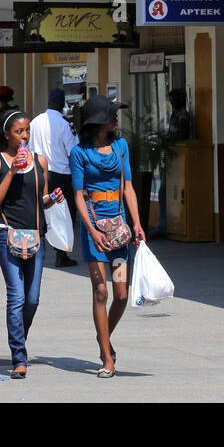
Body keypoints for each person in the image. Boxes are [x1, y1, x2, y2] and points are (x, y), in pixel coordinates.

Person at [70, 95, 145, 378]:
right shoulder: (79, 153)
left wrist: (137, 223)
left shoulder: (120, 146)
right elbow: (78, 196)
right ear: (100, 121)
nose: (116, 119)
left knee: (122, 294)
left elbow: (128, 187)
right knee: (101, 291)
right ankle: (106, 356)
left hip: (119, 227)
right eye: (112, 115)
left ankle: (103, 337)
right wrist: (91, 230)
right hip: (93, 229)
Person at [0, 109, 64, 378]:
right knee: (17, 296)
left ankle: (19, 334)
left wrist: (52, 198)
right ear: (6, 134)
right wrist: (12, 172)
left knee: (32, 299)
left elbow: (40, 200)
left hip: (35, 237)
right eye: (19, 132)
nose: (25, 136)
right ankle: (19, 357)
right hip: (6, 234)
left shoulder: (40, 161)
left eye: (27, 131)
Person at [29, 87, 78, 268]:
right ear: (62, 103)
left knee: (40, 211)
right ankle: (61, 254)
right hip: (60, 176)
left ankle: (37, 250)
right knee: (64, 215)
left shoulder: (35, 122)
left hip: (38, 173)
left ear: (48, 102)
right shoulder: (65, 124)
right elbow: (73, 151)